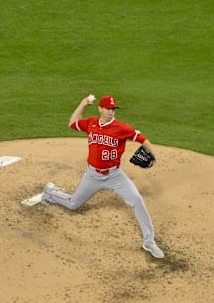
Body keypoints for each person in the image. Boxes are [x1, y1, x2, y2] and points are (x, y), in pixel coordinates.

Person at [43, 94, 164, 258]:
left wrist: (153, 155)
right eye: (108, 108)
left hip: (115, 175)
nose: (111, 112)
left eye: (113, 109)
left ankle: (149, 242)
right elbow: (72, 123)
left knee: (136, 199)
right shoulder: (91, 123)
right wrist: (82, 104)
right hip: (92, 175)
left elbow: (143, 139)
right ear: (100, 109)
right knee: (73, 204)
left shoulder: (122, 128)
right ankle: (50, 193)